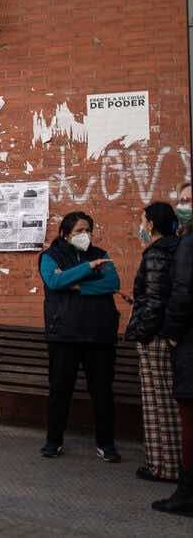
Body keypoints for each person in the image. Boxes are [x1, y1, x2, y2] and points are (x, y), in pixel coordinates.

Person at [37, 211, 122, 461]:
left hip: (99, 335)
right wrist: (88, 268)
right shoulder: (50, 256)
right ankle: (54, 441)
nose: (85, 235)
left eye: (88, 230)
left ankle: (106, 444)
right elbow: (54, 282)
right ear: (65, 234)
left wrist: (77, 285)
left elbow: (112, 284)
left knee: (103, 392)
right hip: (65, 335)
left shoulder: (101, 255)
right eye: (79, 231)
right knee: (60, 391)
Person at [124, 202, 182, 483]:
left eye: (143, 220)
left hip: (155, 337)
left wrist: (143, 332)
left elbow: (156, 300)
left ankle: (163, 464)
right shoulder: (179, 248)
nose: (141, 226)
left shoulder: (156, 253)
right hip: (167, 334)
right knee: (168, 401)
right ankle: (165, 462)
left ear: (152, 224)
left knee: (157, 401)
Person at [155, 213, 193, 516]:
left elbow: (180, 294)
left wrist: (171, 333)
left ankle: (186, 493)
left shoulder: (186, 245)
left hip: (187, 342)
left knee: (189, 420)